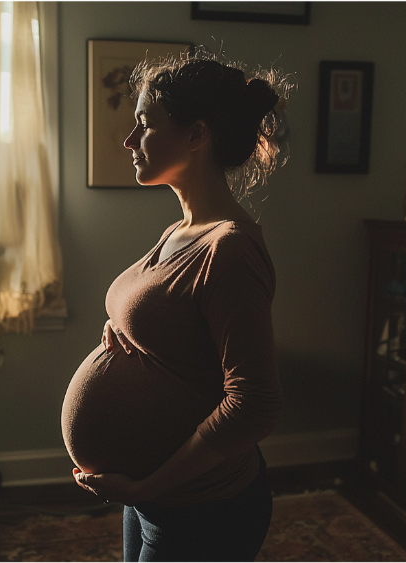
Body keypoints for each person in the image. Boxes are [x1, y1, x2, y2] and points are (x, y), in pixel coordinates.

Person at [61, 49, 292, 562]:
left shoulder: (229, 249)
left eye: (144, 123)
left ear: (195, 135)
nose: (129, 139)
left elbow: (254, 404)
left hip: (203, 506)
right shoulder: (180, 232)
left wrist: (148, 486)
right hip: (156, 496)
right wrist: (125, 332)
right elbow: (181, 337)